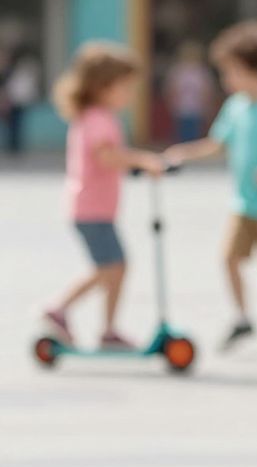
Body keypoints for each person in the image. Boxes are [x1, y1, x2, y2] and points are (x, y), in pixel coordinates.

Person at [166, 21, 257, 356]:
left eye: (233, 71)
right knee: (229, 258)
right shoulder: (235, 107)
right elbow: (218, 144)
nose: (226, 79)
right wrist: (183, 153)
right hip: (244, 204)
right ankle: (243, 318)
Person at [42, 42, 165, 349]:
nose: (129, 95)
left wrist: (133, 164)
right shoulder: (98, 119)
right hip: (91, 210)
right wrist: (143, 161)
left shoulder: (93, 116)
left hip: (93, 208)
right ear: (101, 87)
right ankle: (62, 309)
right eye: (125, 88)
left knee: (114, 267)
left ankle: (106, 327)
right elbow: (106, 157)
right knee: (110, 268)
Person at [163, 43, 216, 144]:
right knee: (182, 133)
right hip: (182, 107)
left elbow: (206, 92)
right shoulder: (178, 71)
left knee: (193, 133)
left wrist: (207, 105)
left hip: (196, 108)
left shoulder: (201, 72)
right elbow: (172, 89)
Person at [4, 51, 41, 155]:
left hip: (19, 102)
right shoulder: (11, 73)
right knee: (14, 126)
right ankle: (13, 146)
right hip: (13, 103)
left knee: (17, 126)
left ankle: (15, 146)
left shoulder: (20, 74)